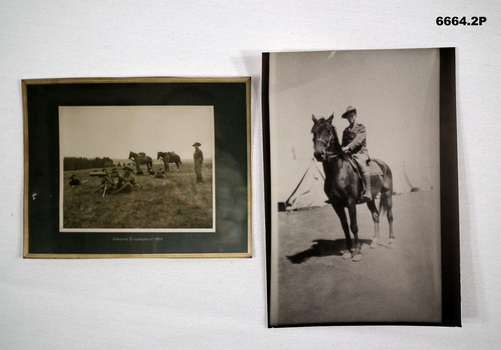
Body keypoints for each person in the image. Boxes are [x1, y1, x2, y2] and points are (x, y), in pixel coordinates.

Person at [340, 106, 372, 202]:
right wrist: (341, 149)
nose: (351, 118)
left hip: (360, 153)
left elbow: (357, 141)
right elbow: (343, 144)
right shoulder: (345, 131)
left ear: (355, 115)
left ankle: (368, 192)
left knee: (361, 163)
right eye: (348, 117)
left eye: (352, 116)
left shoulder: (361, 127)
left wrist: (347, 147)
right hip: (349, 154)